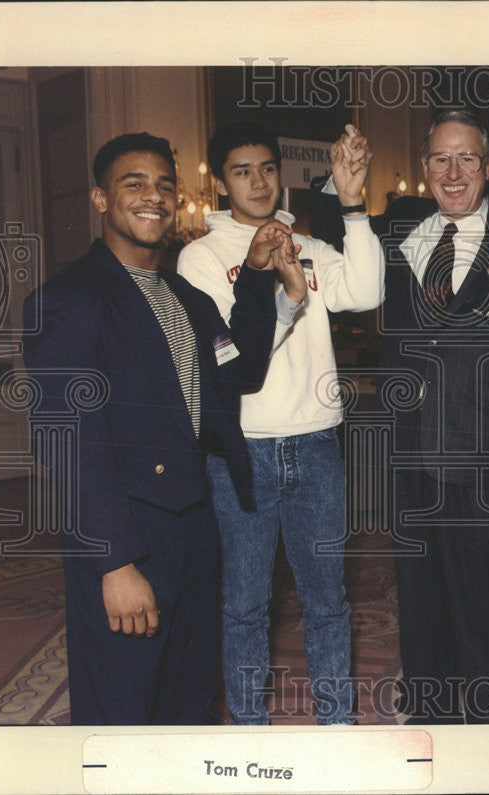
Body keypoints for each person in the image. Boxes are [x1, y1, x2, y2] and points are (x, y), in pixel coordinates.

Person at [311, 110, 489, 723]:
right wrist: (343, 186)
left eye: (468, 158)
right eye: (440, 159)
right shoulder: (395, 227)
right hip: (413, 452)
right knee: (420, 607)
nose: (452, 172)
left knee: (488, 612)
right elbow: (323, 225)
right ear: (423, 168)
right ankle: (432, 732)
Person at [21, 132, 304, 724]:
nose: (154, 196)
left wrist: (257, 278)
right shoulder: (69, 299)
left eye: (165, 185)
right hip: (126, 530)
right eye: (135, 183)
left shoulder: (185, 296)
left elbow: (240, 373)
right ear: (100, 199)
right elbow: (69, 444)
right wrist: (116, 563)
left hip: (195, 526)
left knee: (190, 699)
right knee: (123, 708)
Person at [177, 123, 382, 725]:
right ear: (220, 182)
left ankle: (337, 728)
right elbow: (236, 357)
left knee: (327, 602)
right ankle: (250, 735)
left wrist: (351, 202)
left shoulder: (309, 245)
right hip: (242, 451)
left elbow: (367, 289)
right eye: (242, 171)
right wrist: (280, 290)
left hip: (316, 442)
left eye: (267, 168)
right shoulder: (202, 258)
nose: (259, 181)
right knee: (245, 606)